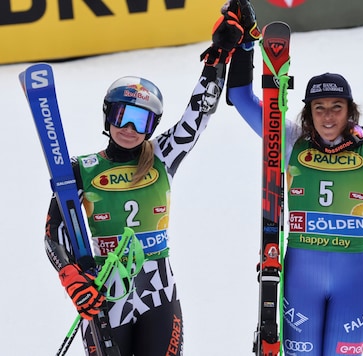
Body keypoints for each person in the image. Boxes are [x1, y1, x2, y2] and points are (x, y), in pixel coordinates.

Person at [44, 4, 251, 355]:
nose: (129, 129)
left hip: (159, 295)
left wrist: (217, 58)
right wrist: (71, 277)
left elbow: (199, 112)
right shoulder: (83, 168)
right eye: (122, 116)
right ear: (108, 117)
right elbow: (54, 234)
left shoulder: (161, 156)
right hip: (107, 296)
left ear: (152, 127)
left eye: (141, 122)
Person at [225, 19, 363, 356]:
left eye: (337, 107)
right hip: (299, 280)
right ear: (308, 113)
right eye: (319, 108)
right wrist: (245, 43)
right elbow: (239, 96)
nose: (327, 117)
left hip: (353, 281)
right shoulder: (288, 140)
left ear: (350, 111)